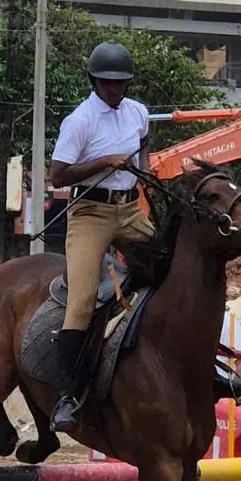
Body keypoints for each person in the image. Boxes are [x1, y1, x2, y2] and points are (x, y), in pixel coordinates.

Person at [45, 40, 158, 433]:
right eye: (109, 83)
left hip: (129, 208)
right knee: (80, 300)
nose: (116, 90)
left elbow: (144, 153)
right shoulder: (80, 120)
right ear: (94, 81)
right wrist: (102, 162)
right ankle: (68, 394)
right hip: (90, 211)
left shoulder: (138, 114)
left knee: (167, 265)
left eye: (122, 83)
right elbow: (57, 176)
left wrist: (147, 179)